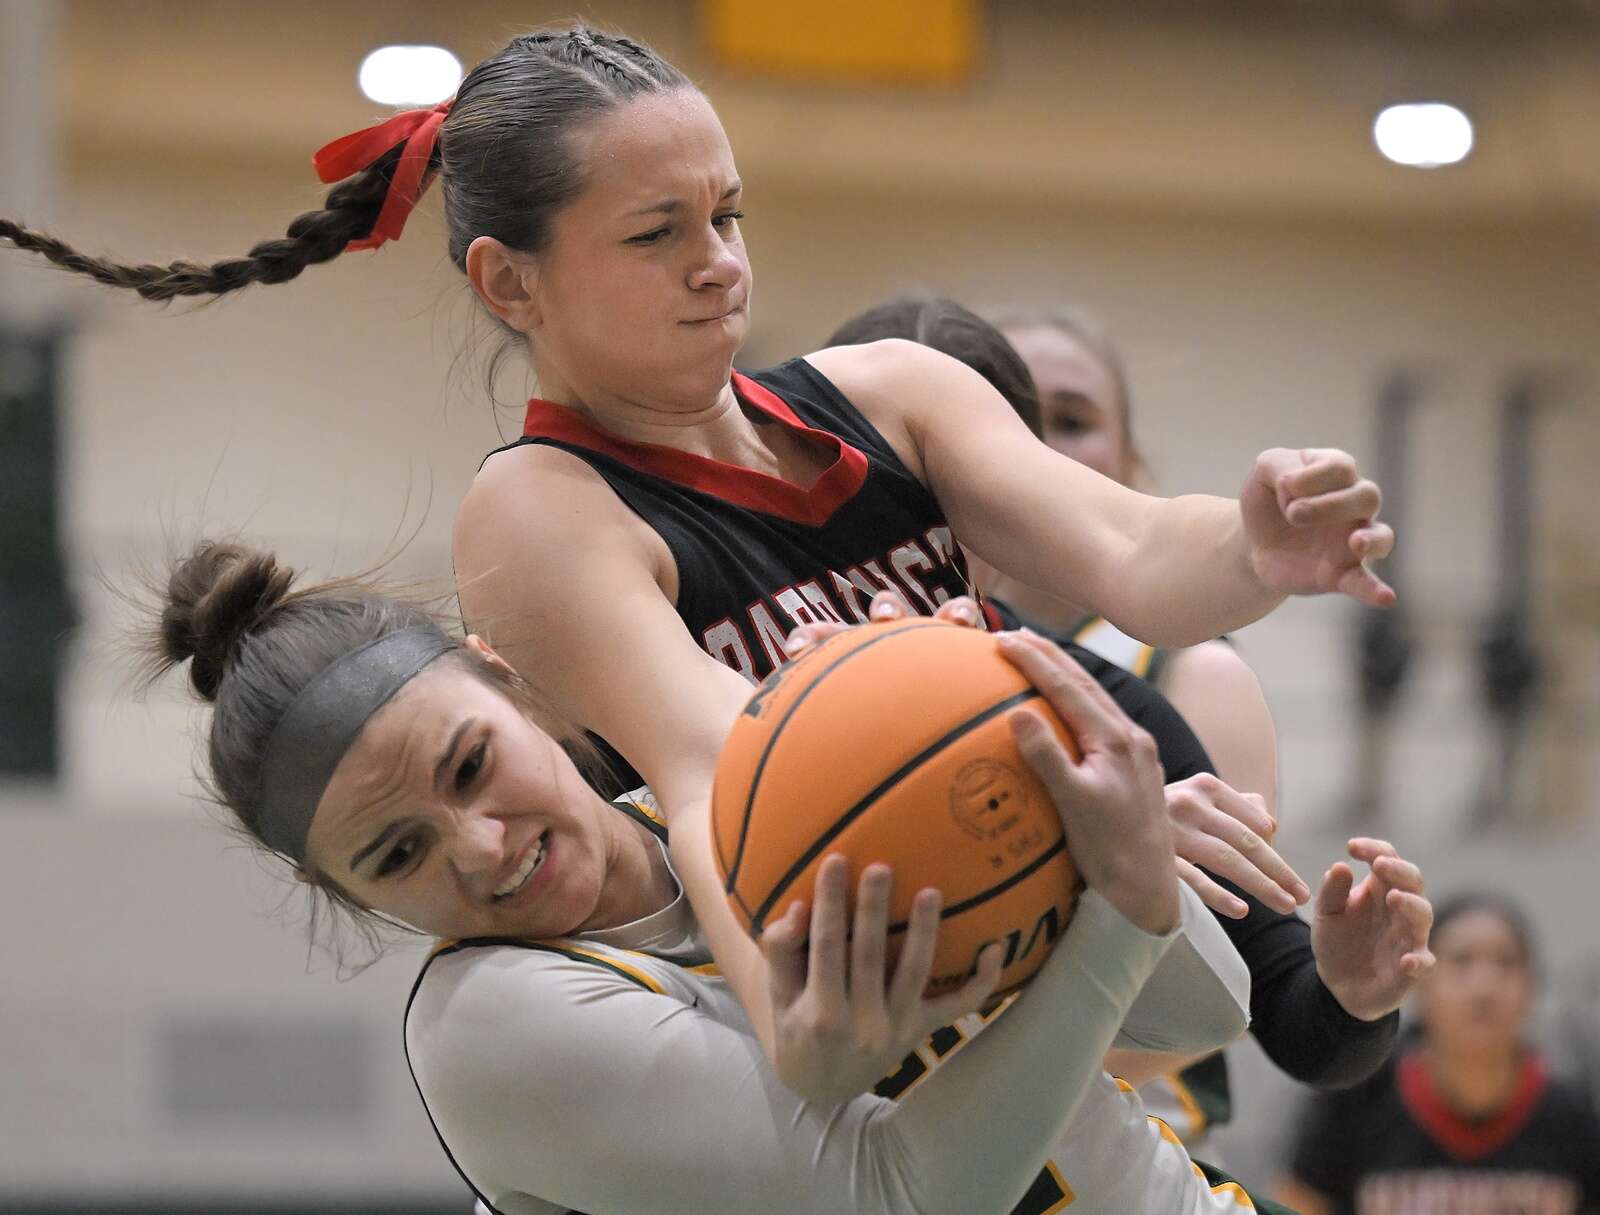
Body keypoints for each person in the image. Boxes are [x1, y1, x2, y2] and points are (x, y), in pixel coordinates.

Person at [4, 23, 1403, 1097]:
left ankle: (1305, 988)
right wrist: (811, 1022)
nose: (719, 263)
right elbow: (716, 772)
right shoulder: (542, 509)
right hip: (842, 972)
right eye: (656, 233)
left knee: (1195, 880)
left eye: (725, 215)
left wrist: (1255, 540)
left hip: (1002, 928)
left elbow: (1132, 550)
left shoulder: (893, 388)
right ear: (509, 282)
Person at [147, 538, 1278, 1215]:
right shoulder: (485, 1026)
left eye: (471, 765)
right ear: (348, 896)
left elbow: (1210, 1012)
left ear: (508, 679)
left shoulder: (777, 790)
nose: (479, 847)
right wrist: (1114, 917)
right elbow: (906, 1197)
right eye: (399, 855)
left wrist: (1082, 835)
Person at [823, 295, 1422, 1151]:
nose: (926, 521)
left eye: (1070, 423)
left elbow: (1277, 1000)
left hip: (1110, 1148)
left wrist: (1353, 995)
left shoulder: (1150, 687)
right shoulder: (742, 651)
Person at [1279, 893, 1600, 1215]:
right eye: (1461, 961)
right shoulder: (1356, 1099)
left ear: (1533, 987)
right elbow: (1294, 1202)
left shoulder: (1574, 1113)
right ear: (1420, 982)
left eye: (1506, 963)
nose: (1484, 987)